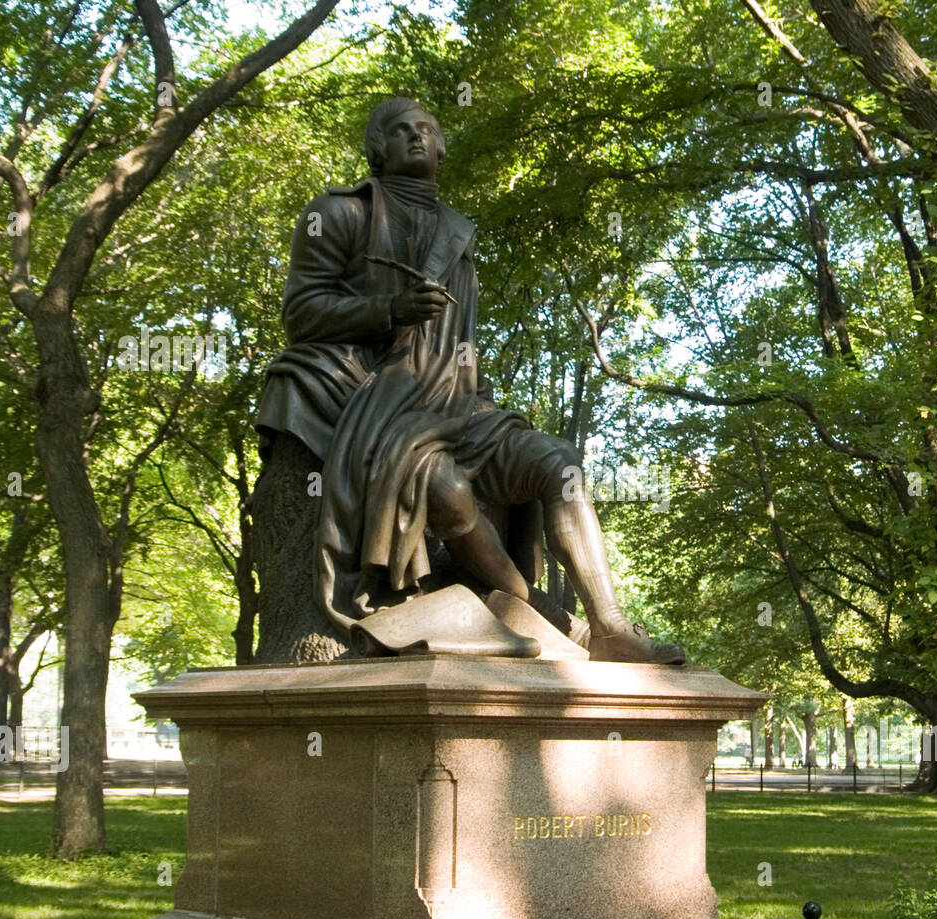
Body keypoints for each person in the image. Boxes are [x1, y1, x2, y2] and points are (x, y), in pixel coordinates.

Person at [256, 97, 683, 664]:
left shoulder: (457, 236)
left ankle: (609, 626)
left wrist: (479, 399)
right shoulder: (340, 213)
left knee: (563, 465)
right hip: (378, 405)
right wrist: (390, 310)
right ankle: (535, 610)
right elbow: (302, 311)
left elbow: (459, 343)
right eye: (400, 131)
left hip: (459, 403)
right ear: (376, 150)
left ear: (441, 148)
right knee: (446, 489)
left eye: (426, 131)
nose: (415, 138)